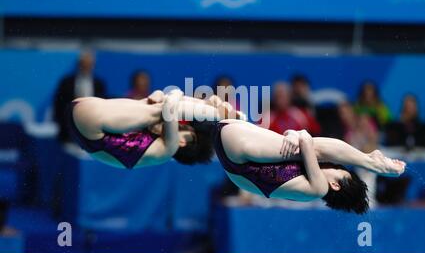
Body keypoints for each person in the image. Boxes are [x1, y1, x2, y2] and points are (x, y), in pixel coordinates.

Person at [213, 119, 405, 214]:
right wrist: (294, 135)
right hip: (233, 154)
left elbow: (306, 139)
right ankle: (369, 160)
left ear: (336, 185)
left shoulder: (318, 188)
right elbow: (297, 138)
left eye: (339, 168)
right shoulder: (310, 188)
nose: (335, 164)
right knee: (301, 147)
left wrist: (297, 135)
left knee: (314, 149)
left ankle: (371, 162)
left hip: (237, 152)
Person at [68, 89, 244, 169]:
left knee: (160, 110)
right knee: (153, 106)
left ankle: (219, 115)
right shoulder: (155, 134)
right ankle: (215, 112)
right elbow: (163, 97)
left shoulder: (168, 149)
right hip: (81, 120)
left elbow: (170, 103)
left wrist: (216, 113)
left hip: (88, 124)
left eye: (183, 126)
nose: (180, 123)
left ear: (183, 140)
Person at [54, 51, 106, 143]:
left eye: (89, 64)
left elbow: (103, 106)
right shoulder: (66, 82)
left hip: (91, 127)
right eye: (84, 64)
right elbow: (58, 105)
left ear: (93, 65)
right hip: (69, 128)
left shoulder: (99, 84)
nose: (86, 67)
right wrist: (61, 123)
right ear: (79, 64)